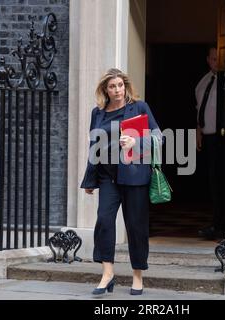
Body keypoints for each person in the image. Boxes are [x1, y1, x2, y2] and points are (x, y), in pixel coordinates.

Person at [80, 68, 162, 296]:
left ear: (125, 86)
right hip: (108, 177)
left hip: (135, 176)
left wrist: (136, 142)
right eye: (112, 86)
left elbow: (158, 137)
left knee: (136, 226)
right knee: (104, 221)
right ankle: (107, 273)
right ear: (105, 89)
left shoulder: (139, 107)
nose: (117, 90)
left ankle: (137, 276)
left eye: (120, 85)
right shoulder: (97, 113)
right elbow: (93, 147)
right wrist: (89, 178)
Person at [195, 45, 225, 240]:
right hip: (208, 138)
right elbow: (199, 108)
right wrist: (198, 131)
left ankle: (223, 224)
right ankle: (216, 222)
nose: (217, 62)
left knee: (223, 182)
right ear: (208, 60)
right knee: (212, 182)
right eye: (214, 59)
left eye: (220, 58)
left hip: (223, 137)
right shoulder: (202, 82)